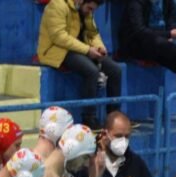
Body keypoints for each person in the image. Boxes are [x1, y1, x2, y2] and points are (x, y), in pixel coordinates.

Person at [38, 0, 122, 128]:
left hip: (80, 49)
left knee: (115, 70)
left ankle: (113, 117)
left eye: (93, 9)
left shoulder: (86, 12)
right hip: (57, 50)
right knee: (91, 71)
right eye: (89, 8)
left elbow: (93, 33)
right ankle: (89, 118)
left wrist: (99, 47)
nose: (91, 12)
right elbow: (59, 37)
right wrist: (87, 50)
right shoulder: (57, 5)